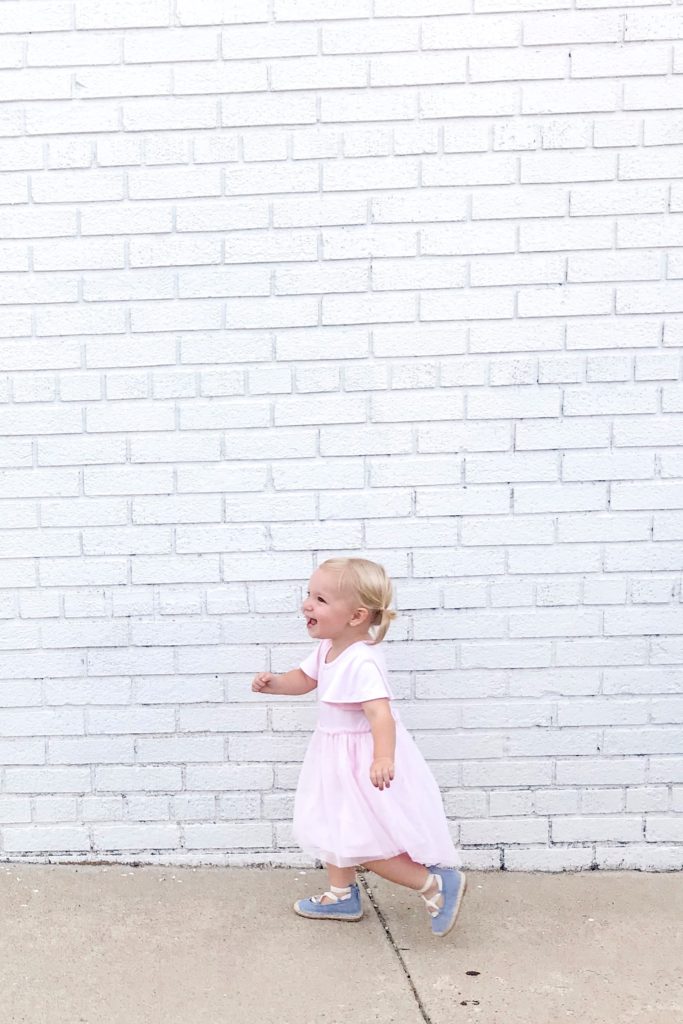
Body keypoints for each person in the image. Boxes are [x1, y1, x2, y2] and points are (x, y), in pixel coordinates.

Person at [251, 556, 466, 938]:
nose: (306, 605)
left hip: (360, 759)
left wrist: (383, 756)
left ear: (355, 616)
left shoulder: (362, 660)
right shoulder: (328, 650)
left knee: (359, 838)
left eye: (320, 599)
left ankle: (432, 884)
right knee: (334, 824)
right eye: (308, 595)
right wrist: (276, 684)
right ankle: (341, 895)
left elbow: (380, 714)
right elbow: (304, 679)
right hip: (332, 754)